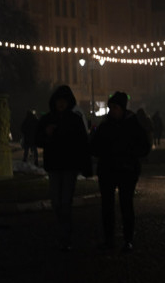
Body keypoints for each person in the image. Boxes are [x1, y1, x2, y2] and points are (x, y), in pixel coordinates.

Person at [89, 91, 151, 253]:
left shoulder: (133, 124)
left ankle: (128, 239)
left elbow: (144, 146)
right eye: (111, 107)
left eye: (115, 107)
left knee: (126, 205)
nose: (112, 111)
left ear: (122, 108)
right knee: (107, 206)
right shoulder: (105, 125)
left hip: (126, 170)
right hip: (108, 170)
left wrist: (130, 154)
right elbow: (94, 146)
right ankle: (109, 239)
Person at [34, 85, 93, 250]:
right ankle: (63, 231)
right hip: (54, 166)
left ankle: (65, 235)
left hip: (69, 166)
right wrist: (47, 134)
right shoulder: (47, 119)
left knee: (65, 202)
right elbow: (37, 139)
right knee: (56, 202)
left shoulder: (74, 120)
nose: (61, 104)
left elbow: (82, 143)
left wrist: (85, 165)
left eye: (63, 101)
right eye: (58, 101)